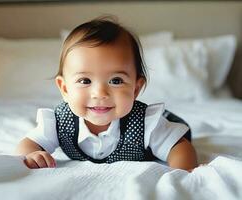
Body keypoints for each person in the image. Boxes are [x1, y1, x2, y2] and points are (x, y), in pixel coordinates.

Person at [15, 17, 198, 171]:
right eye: (85, 81)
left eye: (116, 81)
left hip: (168, 122)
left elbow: (180, 148)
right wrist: (32, 154)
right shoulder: (59, 122)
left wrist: (182, 173)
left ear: (135, 88)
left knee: (175, 132)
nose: (100, 93)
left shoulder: (147, 124)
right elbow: (27, 144)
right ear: (64, 89)